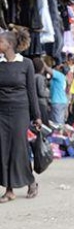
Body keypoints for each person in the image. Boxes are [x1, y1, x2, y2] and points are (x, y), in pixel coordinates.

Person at [0, 29, 42, 202]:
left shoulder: (26, 64)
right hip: (1, 112)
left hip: (20, 111)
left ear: (9, 44)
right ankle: (9, 190)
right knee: (2, 149)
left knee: (19, 149)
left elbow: (32, 92)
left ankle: (31, 181)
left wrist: (37, 116)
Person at [32, 57, 51, 127]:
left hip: (35, 103)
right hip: (41, 103)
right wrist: (49, 93)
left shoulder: (32, 76)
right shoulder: (39, 77)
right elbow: (41, 92)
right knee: (44, 125)